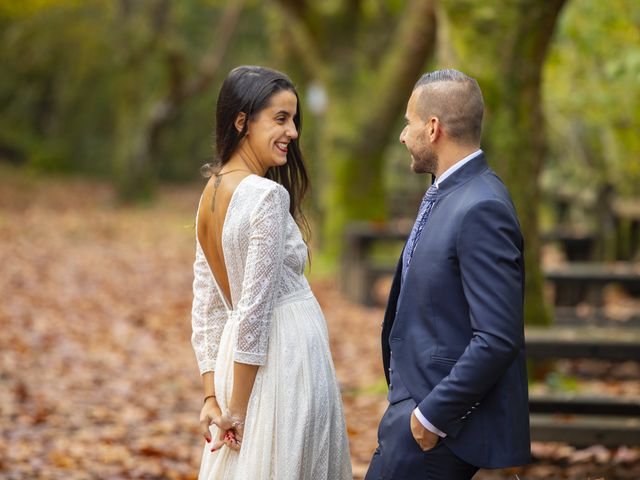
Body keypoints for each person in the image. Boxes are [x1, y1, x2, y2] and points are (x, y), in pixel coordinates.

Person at [365, 69, 530, 480]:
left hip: (440, 426)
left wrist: (430, 417)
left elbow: (497, 337)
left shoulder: (481, 206)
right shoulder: (448, 190)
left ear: (433, 127)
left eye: (409, 122)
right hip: (412, 408)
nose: (404, 135)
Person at [190, 66, 351, 480]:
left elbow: (208, 312)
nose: (293, 132)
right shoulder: (266, 195)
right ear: (242, 121)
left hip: (237, 365)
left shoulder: (211, 191)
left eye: (294, 119)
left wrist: (213, 395)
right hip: (282, 363)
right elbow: (254, 310)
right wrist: (239, 412)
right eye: (280, 119)